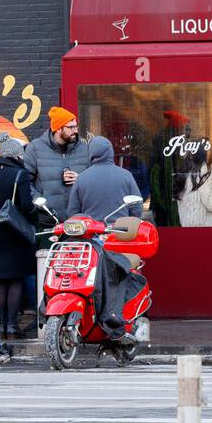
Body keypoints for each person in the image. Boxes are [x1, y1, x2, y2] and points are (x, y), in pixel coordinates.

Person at [65, 136, 145, 340]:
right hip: (118, 240)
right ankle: (121, 317)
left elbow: (73, 213)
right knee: (122, 276)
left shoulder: (82, 178)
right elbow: (137, 209)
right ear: (110, 151)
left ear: (91, 154)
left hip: (91, 242)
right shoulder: (125, 176)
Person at [0, 134, 38, 340]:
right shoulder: (19, 175)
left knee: (2, 280)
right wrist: (34, 218)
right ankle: (12, 326)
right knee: (16, 279)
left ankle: (2, 327)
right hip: (15, 232)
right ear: (16, 155)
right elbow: (28, 207)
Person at [23, 107, 90, 224]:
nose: (76, 130)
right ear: (58, 129)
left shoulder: (84, 149)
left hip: (79, 221)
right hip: (47, 220)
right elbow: (25, 181)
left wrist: (81, 179)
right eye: (71, 127)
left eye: (76, 126)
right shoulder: (35, 148)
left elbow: (94, 179)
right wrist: (39, 201)